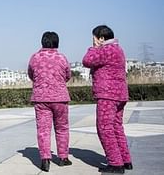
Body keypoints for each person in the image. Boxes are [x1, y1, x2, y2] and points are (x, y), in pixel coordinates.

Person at [83, 25, 133, 173]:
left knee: (104, 128)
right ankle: (125, 160)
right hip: (120, 94)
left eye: (94, 39)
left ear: (101, 38)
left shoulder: (105, 50)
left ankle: (115, 164)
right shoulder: (119, 49)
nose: (93, 42)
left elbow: (87, 60)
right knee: (116, 127)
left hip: (107, 95)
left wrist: (93, 48)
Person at [28, 31, 72, 172]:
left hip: (41, 99)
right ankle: (63, 157)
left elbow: (31, 74)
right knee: (62, 128)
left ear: (42, 42)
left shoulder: (34, 58)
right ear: (57, 43)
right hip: (60, 98)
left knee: (43, 130)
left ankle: (45, 160)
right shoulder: (62, 58)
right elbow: (68, 75)